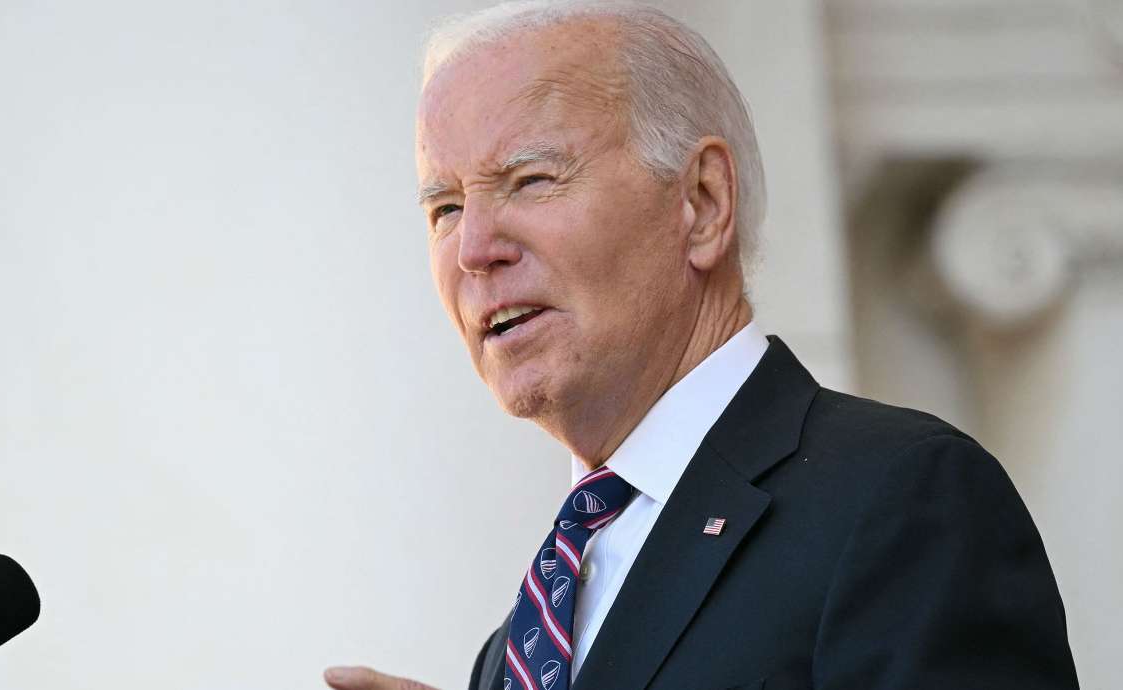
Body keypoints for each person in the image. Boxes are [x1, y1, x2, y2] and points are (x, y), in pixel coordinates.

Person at [324, 2, 1079, 689]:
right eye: (446, 207)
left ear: (702, 203)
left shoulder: (900, 501)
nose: (474, 248)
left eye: (530, 179)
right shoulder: (521, 638)